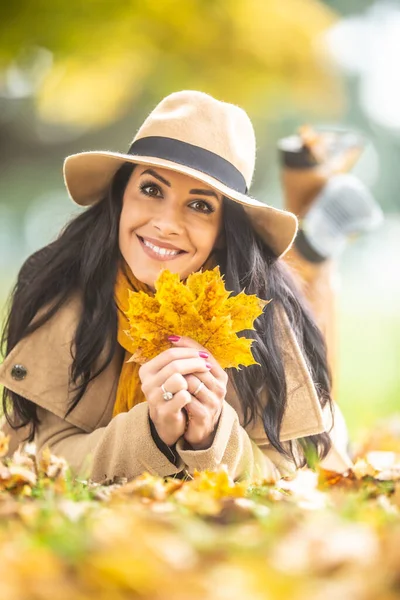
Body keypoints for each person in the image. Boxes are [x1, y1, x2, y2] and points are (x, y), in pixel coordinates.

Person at [0, 90, 354, 483]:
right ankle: (310, 243)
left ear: (223, 231)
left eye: (200, 205)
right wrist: (150, 434)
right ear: (121, 198)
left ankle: (315, 256)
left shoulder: (262, 312)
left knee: (327, 397)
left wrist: (212, 435)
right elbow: (34, 453)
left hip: (325, 421)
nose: (167, 223)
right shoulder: (66, 296)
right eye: (151, 190)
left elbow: (293, 471)